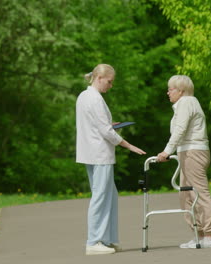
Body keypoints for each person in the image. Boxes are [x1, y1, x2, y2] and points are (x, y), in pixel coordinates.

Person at [76, 64, 146, 255]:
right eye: (109, 81)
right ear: (99, 78)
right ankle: (94, 241)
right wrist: (129, 145)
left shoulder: (84, 96)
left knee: (109, 195)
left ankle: (108, 239)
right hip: (99, 154)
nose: (110, 85)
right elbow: (106, 132)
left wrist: (110, 124)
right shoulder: (95, 99)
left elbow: (96, 125)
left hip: (91, 153)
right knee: (101, 196)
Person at [156, 75, 211, 249]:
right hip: (186, 152)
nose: (167, 92)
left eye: (171, 89)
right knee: (186, 196)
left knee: (199, 193)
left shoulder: (187, 102)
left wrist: (167, 151)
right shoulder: (183, 105)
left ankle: (209, 236)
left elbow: (180, 129)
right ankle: (198, 235)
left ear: (181, 91)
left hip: (194, 152)